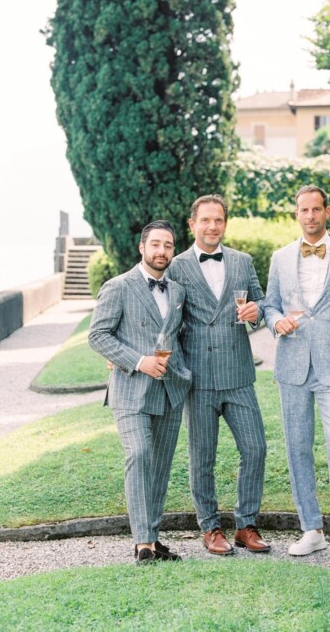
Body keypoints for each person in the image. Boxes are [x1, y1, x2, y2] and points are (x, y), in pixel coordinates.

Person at [264, 185, 330, 575]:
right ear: (297, 214)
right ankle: (311, 529)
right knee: (297, 447)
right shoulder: (279, 257)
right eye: (303, 210)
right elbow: (269, 304)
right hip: (292, 365)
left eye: (316, 209)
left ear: (327, 212)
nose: (309, 216)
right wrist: (277, 320)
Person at [166, 194, 270, 555]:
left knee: (256, 448)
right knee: (202, 457)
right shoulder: (176, 267)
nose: (213, 226)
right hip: (198, 378)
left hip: (238, 373)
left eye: (219, 220)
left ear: (225, 223)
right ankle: (210, 528)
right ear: (192, 224)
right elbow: (161, 316)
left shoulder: (243, 261)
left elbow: (262, 303)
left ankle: (246, 524)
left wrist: (256, 312)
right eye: (206, 220)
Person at [88, 220, 191, 564]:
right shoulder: (118, 286)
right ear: (142, 247)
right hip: (131, 391)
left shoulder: (177, 292)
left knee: (160, 466)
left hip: (170, 389)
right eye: (156, 244)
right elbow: (98, 335)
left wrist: (182, 371)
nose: (162, 251)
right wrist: (137, 361)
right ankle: (142, 543)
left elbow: (179, 335)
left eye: (168, 246)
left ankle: (153, 538)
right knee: (140, 454)